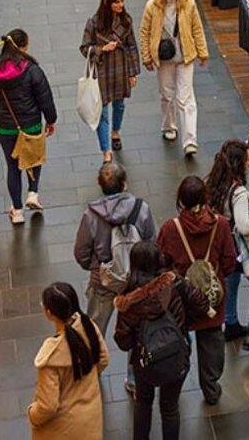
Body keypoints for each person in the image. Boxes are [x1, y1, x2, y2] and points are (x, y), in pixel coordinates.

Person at [73, 162, 156, 398]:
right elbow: (153, 242)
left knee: (95, 329)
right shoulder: (141, 209)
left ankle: (92, 371)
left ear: (100, 186)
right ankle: (133, 379)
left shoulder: (91, 215)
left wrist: (99, 268)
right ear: (125, 183)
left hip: (104, 283)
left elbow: (81, 253)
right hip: (137, 283)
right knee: (138, 330)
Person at [114, 241, 208, 440]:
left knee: (143, 402)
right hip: (177, 354)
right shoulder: (176, 283)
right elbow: (202, 304)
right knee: (170, 407)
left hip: (144, 361)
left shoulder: (129, 300)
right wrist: (182, 324)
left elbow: (122, 341)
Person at [157, 176, 235, 405]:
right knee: (211, 342)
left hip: (182, 298)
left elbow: (162, 263)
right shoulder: (220, 224)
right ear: (205, 197)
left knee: (180, 339)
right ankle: (211, 389)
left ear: (180, 199)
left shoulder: (171, 229)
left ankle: (177, 382)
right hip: (212, 298)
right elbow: (230, 262)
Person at [206, 140, 249, 357]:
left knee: (231, 282)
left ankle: (231, 323)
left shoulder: (214, 183)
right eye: (247, 159)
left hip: (222, 247)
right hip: (239, 249)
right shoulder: (238, 192)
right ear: (239, 164)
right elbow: (244, 226)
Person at [0, 29, 57, 225]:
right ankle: (33, 193)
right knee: (34, 158)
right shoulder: (32, 70)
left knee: (12, 167)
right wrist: (51, 120)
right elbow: (45, 98)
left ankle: (17, 211)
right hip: (31, 124)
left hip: (6, 128)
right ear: (23, 46)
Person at [139, 0, 209, 157]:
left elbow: (197, 28)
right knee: (167, 95)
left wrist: (202, 52)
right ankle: (169, 126)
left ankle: (190, 140)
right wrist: (146, 56)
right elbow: (145, 32)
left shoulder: (189, 4)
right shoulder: (152, 6)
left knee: (185, 98)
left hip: (185, 56)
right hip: (164, 58)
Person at [27, 282, 109, 440]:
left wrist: (32, 414)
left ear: (49, 313)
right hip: (90, 417)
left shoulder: (50, 358)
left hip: (61, 429)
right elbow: (103, 360)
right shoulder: (89, 327)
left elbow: (48, 406)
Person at [80, 0, 141, 164]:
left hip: (121, 69)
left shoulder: (126, 21)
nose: (121, 5)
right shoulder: (93, 23)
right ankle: (106, 150)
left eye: (122, 1)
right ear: (107, 3)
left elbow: (131, 46)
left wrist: (132, 72)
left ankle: (116, 131)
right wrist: (101, 49)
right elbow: (84, 47)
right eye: (117, 2)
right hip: (103, 72)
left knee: (120, 105)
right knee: (103, 112)